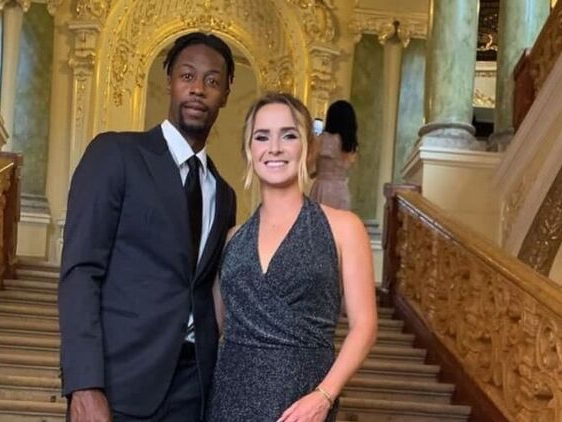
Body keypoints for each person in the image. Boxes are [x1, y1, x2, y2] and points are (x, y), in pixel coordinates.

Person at [58, 32, 237, 422]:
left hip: (195, 388)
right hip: (119, 382)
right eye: (187, 76)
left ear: (225, 94)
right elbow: (81, 272)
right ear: (169, 80)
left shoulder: (224, 194)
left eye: (212, 81)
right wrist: (84, 384)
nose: (198, 89)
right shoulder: (116, 154)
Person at [208, 93, 377, 422]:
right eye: (262, 137)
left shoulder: (344, 228)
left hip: (303, 405)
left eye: (288, 135)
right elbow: (213, 327)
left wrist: (324, 395)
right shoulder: (232, 239)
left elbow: (365, 326)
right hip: (229, 400)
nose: (274, 148)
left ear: (308, 147)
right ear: (249, 150)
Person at [307, 100, 359, 210]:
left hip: (323, 189)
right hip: (341, 189)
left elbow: (309, 170)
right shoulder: (350, 143)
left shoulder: (322, 139)